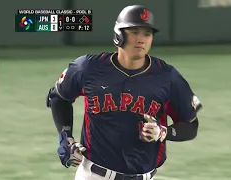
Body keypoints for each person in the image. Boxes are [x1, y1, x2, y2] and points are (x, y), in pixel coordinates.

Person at [46, 4, 202, 180]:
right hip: (94, 175)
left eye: (147, 34)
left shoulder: (167, 77)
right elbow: (59, 97)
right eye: (134, 32)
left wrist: (163, 132)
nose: (141, 39)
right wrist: (66, 137)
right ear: (118, 34)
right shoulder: (88, 68)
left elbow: (191, 126)